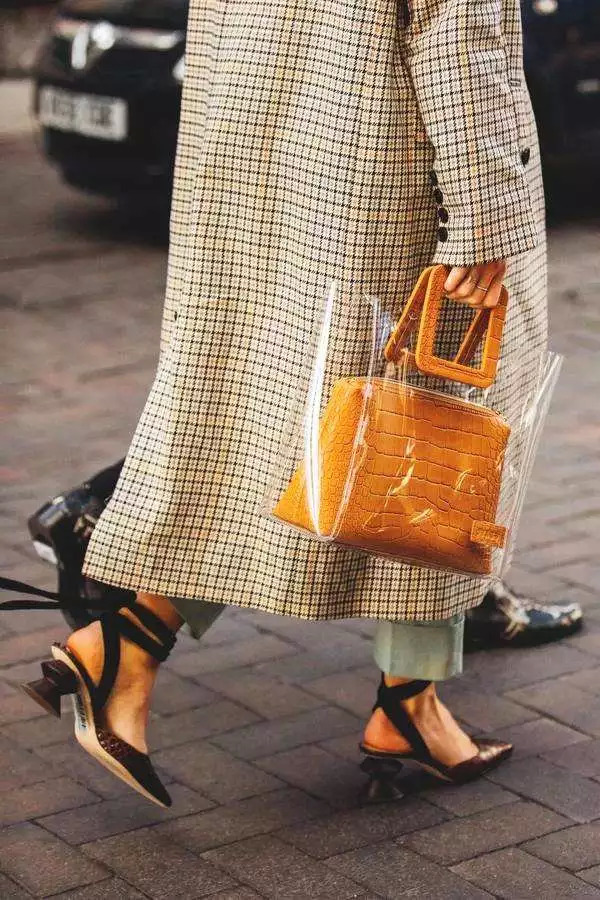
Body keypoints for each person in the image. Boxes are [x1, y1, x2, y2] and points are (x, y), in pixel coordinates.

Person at [15, 0, 550, 806]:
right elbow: (457, 41)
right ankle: (409, 704)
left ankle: (130, 641)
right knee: (430, 440)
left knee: (277, 422)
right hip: (391, 173)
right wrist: (486, 217)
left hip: (264, 165)